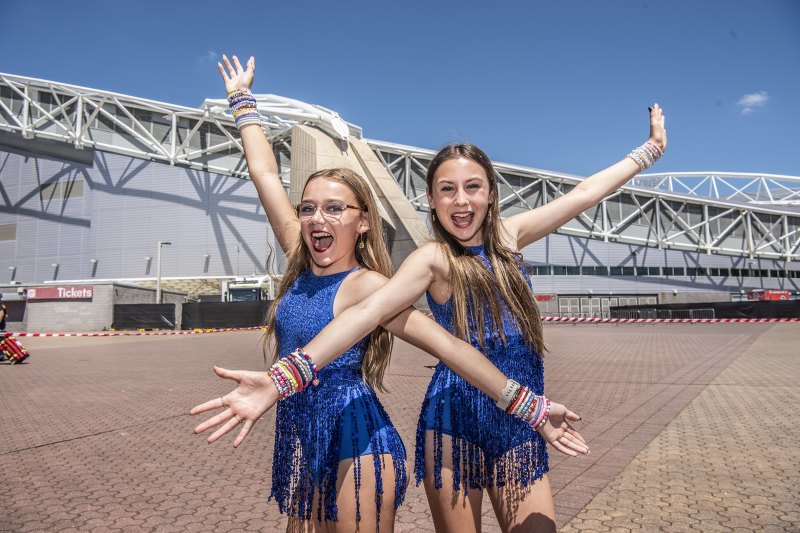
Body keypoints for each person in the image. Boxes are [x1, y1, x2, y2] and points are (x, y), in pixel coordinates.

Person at [191, 55, 587, 533]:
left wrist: (529, 405)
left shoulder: (370, 285)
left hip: (357, 440)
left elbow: (448, 346)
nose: (319, 218)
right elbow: (265, 174)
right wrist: (242, 102)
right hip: (302, 431)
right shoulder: (300, 250)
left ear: (362, 223)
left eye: (335, 209)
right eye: (309, 208)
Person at [224, 104, 667, 531]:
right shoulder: (431, 258)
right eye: (447, 189)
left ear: (491, 194)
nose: (461, 200)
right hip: (454, 413)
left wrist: (647, 153)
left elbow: (586, 193)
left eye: (473, 187)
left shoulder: (510, 237)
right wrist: (286, 377)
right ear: (431, 201)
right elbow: (367, 313)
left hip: (514, 408)